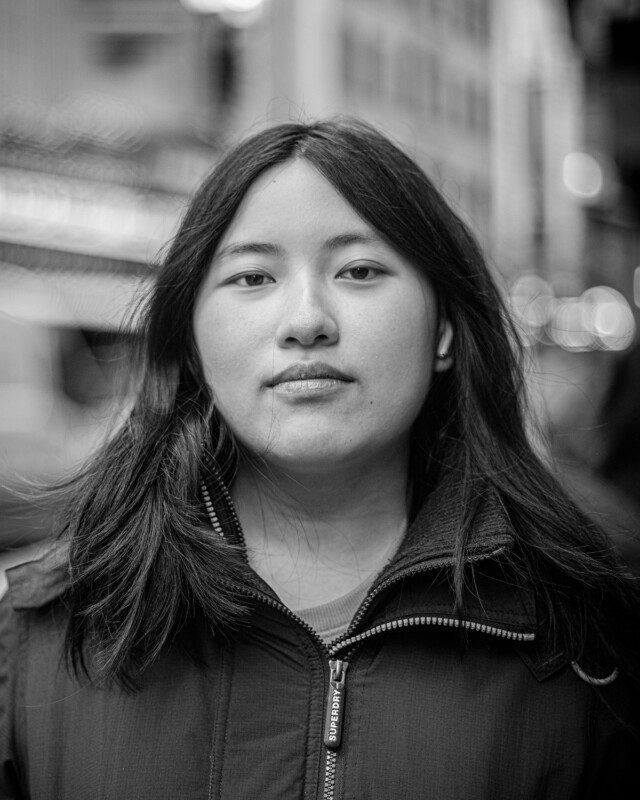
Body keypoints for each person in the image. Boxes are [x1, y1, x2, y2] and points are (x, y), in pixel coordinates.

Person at [0, 118, 638, 799]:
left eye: (359, 270)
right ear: (190, 339)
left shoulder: (587, 639)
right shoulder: (52, 633)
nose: (307, 319)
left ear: (445, 329)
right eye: (252, 277)